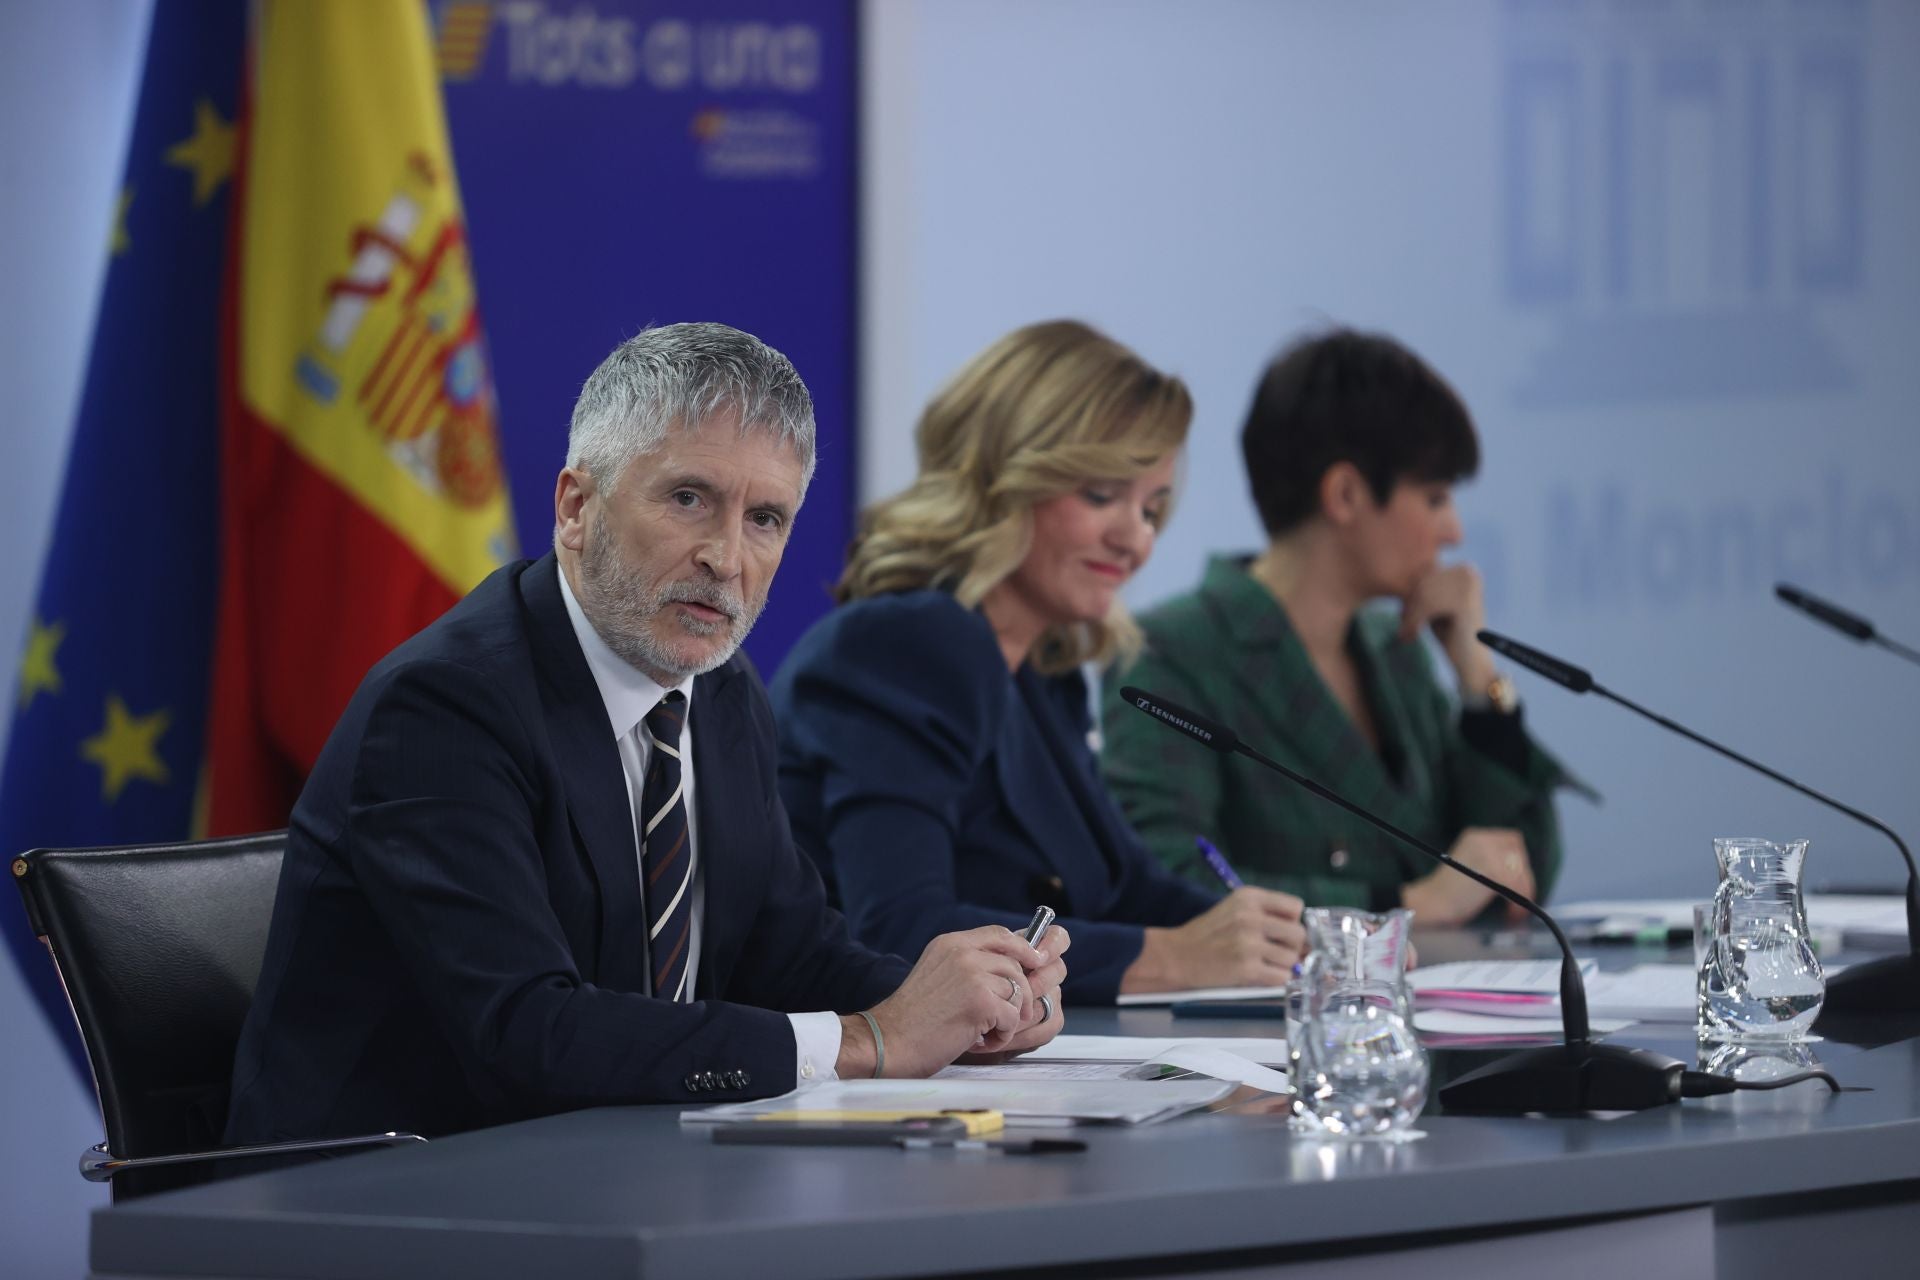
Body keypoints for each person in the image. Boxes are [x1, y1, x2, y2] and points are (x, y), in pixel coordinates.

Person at [225, 323, 1069, 1146]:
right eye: (689, 499)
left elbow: (793, 953)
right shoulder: (445, 708)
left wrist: (965, 1009)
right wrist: (874, 1040)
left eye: (766, 518)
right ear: (575, 507)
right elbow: (529, 1030)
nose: (725, 557)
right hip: (388, 1196)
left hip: (610, 1166)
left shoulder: (722, 694)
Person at [769, 320, 1305, 1004]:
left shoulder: (1042, 673)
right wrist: (1170, 958)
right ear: (1005, 479)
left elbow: (1129, 887)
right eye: (1101, 495)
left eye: (1152, 508)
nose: (1134, 538)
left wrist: (1300, 941)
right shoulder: (906, 643)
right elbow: (901, 929)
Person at [1101, 328, 1578, 925]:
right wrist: (1402, 906)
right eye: (1433, 498)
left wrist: (1480, 685)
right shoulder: (1169, 652)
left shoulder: (1394, 647)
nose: (1453, 531)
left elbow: (1521, 874)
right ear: (1346, 495)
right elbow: (1170, 880)